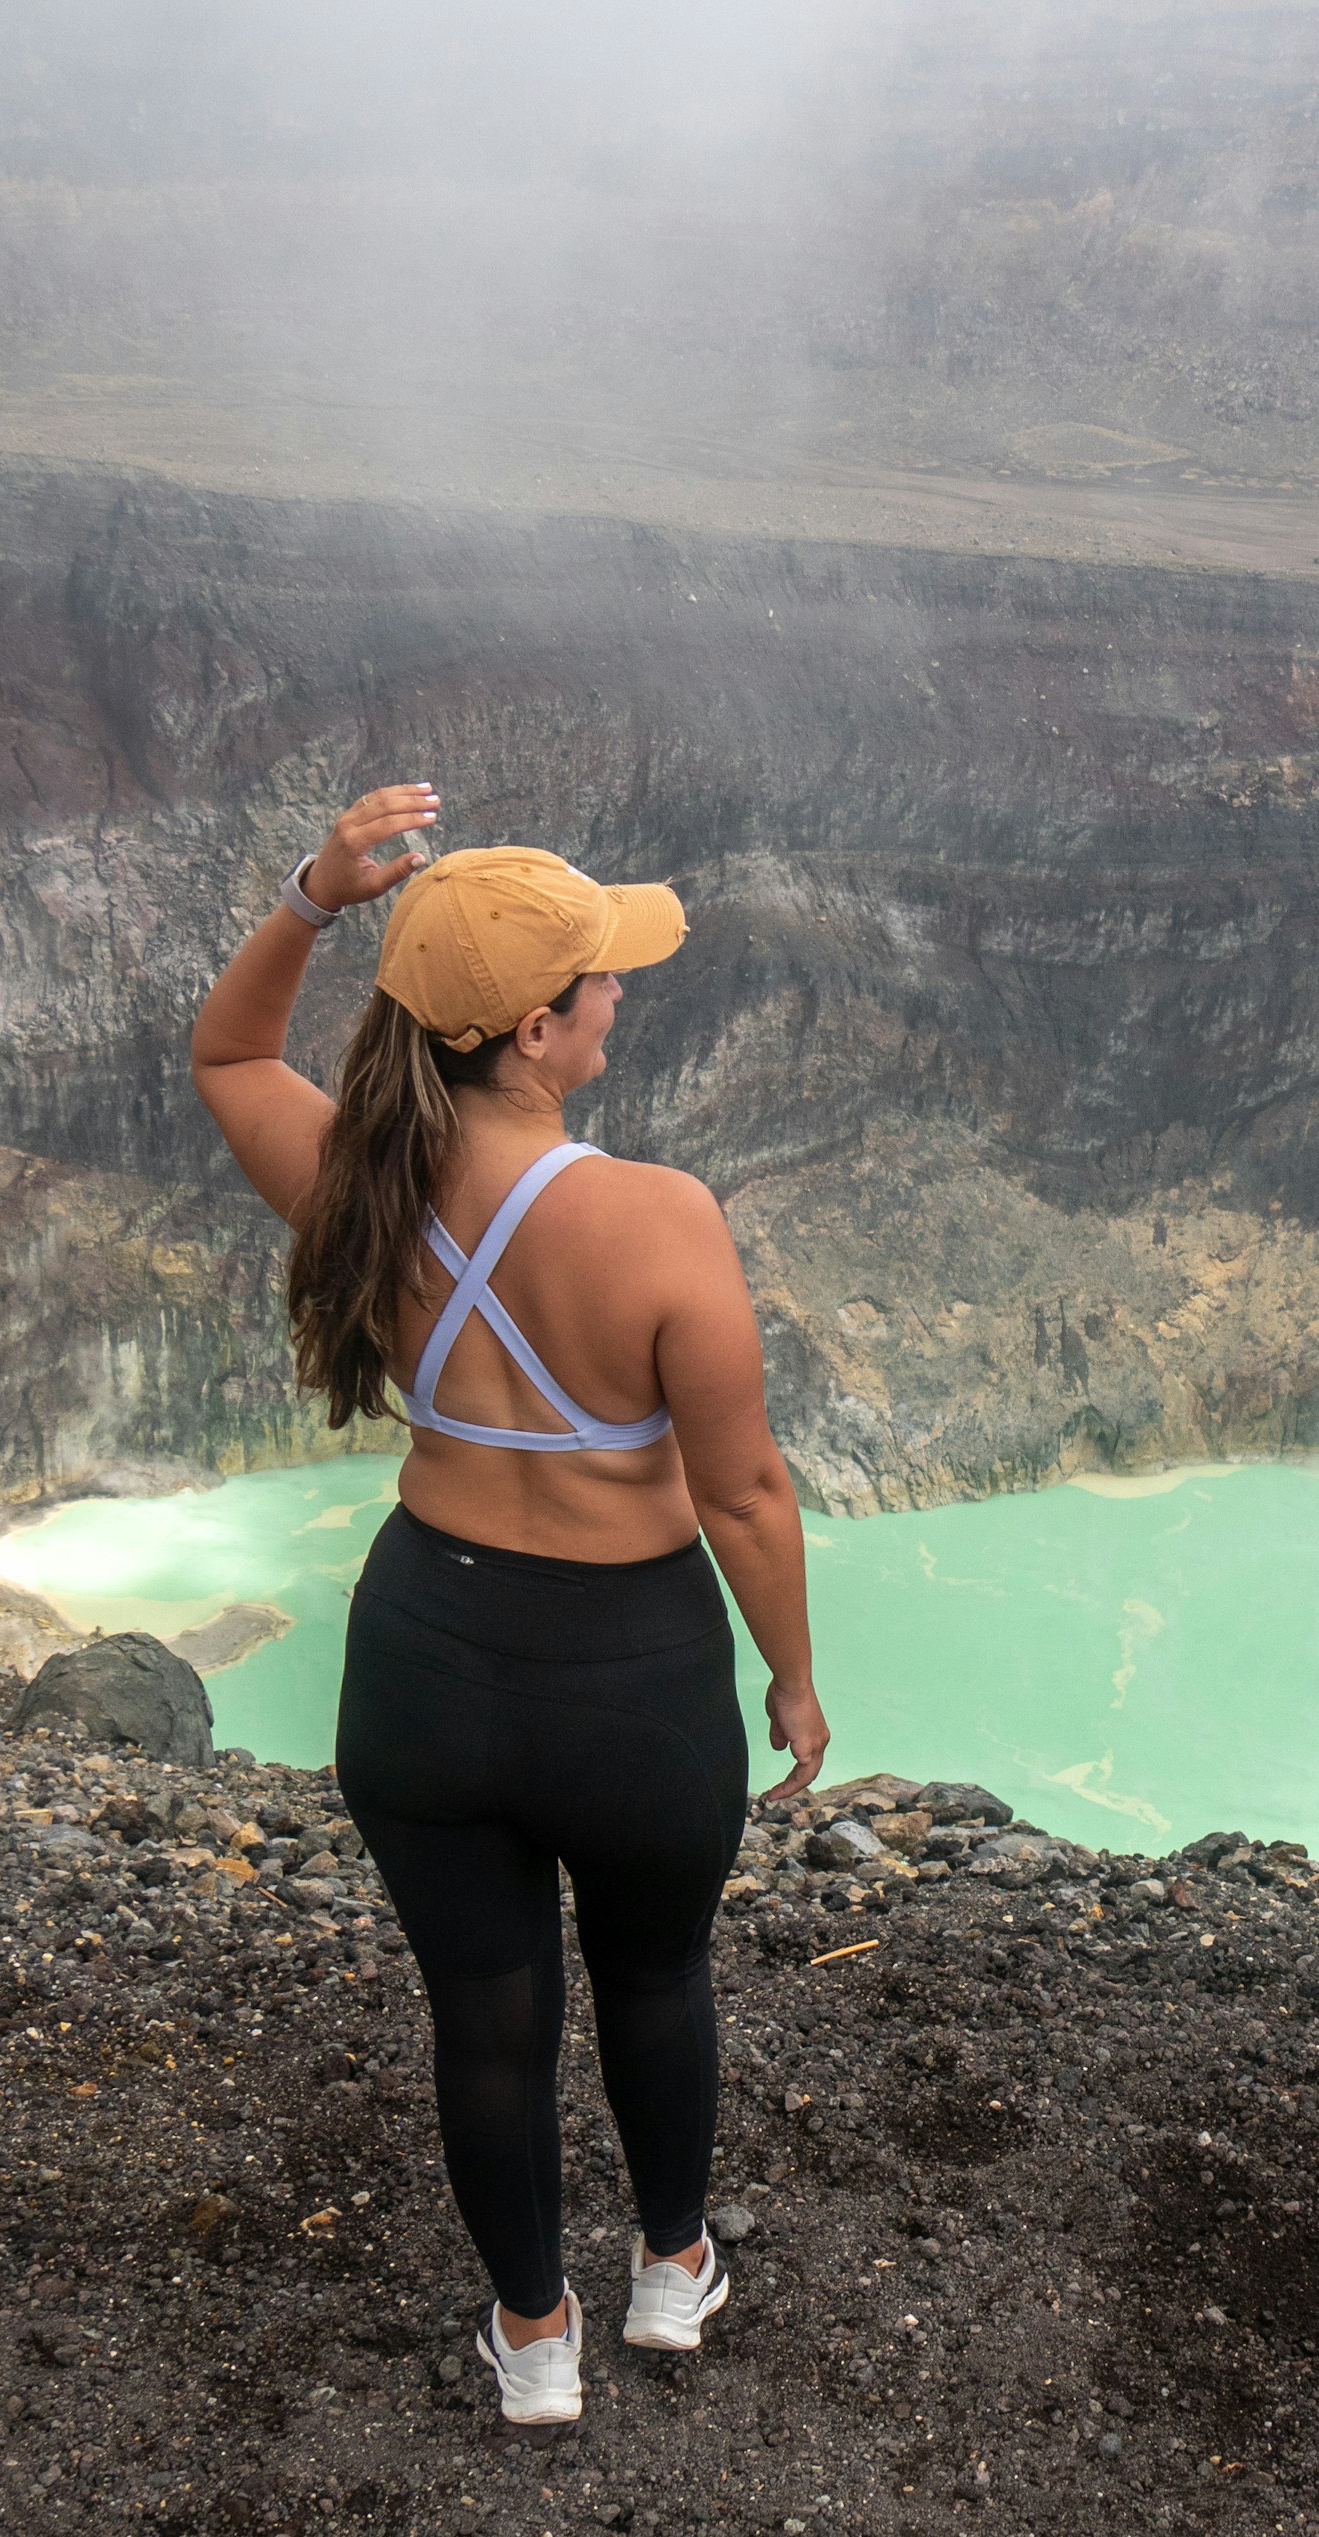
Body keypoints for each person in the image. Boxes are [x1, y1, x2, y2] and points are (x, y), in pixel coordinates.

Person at [190, 783, 827, 2428]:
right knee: (655, 1974)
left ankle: (533, 2341)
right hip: (631, 1668)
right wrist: (795, 1683)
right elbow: (746, 1492)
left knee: (485, 2018)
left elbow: (226, 1061)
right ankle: (671, 2272)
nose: (622, 992)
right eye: (603, 977)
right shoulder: (656, 1218)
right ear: (538, 1031)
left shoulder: (353, 1181)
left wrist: (311, 895)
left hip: (428, 1662)